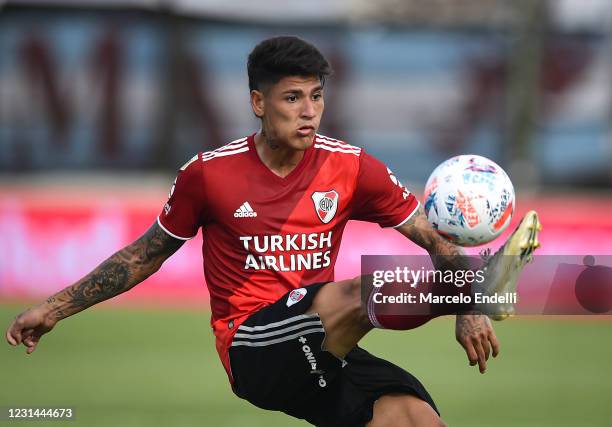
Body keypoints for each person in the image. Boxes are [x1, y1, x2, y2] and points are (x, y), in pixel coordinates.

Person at [5, 36, 541, 427]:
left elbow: (437, 240)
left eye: (316, 96)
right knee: (358, 291)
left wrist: (469, 307)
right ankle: (487, 286)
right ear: (259, 103)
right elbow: (143, 256)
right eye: (292, 99)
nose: (309, 113)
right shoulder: (208, 175)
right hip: (253, 347)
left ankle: (479, 292)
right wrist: (52, 310)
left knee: (417, 420)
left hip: (326, 350)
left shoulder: (353, 168)